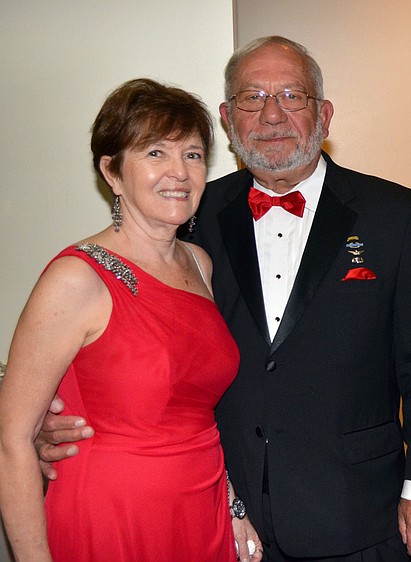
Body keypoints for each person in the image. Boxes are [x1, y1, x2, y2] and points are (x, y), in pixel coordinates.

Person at [36, 37, 411, 561]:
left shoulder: (393, 213)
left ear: (324, 115)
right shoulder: (191, 212)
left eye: (292, 95)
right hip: (219, 507)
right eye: (251, 98)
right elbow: (137, 338)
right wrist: (61, 425)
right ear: (227, 119)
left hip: (355, 508)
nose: (272, 114)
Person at [0, 78, 261, 561]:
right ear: (113, 172)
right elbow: (12, 440)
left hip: (201, 509)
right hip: (112, 517)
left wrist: (232, 506)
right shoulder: (76, 279)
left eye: (194, 154)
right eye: (156, 153)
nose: (179, 172)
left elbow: (198, 415)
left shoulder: (201, 265)